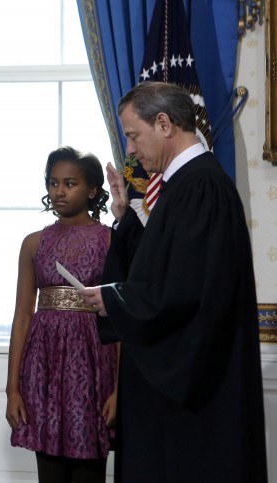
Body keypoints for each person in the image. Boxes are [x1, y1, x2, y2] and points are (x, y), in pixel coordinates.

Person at [81, 82, 268, 482]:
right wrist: (124, 216)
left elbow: (184, 291)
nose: (129, 150)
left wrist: (113, 301)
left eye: (133, 135)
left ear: (164, 123)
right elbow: (161, 266)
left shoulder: (199, 186)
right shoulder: (185, 186)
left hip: (195, 401)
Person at [6, 146, 118, 483]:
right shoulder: (33, 243)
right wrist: (13, 388)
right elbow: (22, 316)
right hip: (44, 370)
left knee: (89, 472)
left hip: (94, 368)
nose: (59, 191)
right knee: (50, 471)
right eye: (53, 183)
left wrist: (119, 389)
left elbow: (120, 320)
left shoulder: (110, 240)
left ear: (93, 190)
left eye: (69, 183)